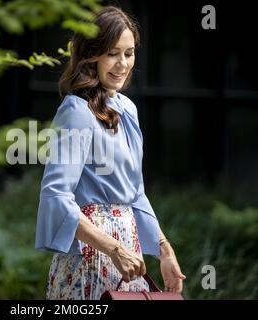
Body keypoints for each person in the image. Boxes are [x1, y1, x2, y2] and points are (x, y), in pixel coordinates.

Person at [35, 5, 186, 300]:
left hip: (128, 255)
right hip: (89, 256)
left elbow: (136, 193)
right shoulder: (76, 111)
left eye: (129, 53)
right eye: (112, 53)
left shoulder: (128, 109)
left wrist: (164, 251)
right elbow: (55, 196)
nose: (122, 64)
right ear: (91, 56)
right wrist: (114, 249)